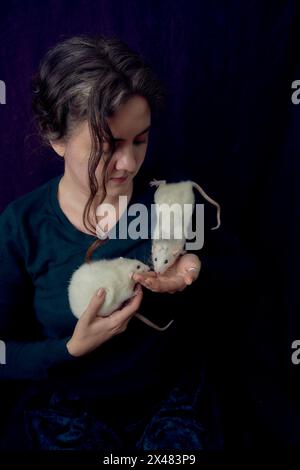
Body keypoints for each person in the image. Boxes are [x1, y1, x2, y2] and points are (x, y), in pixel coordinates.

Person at [0, 35, 221, 451]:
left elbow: (241, 294)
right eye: (107, 146)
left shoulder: (168, 199)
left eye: (140, 140)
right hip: (69, 410)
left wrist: (194, 269)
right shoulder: (21, 227)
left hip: (170, 404)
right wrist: (69, 349)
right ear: (56, 137)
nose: (129, 163)